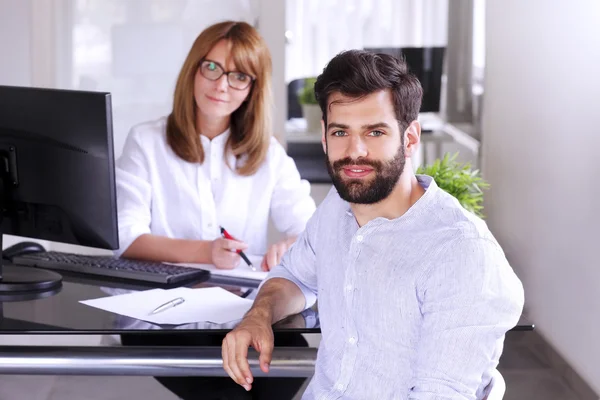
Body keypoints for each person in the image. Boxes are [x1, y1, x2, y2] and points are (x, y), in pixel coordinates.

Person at [222, 49, 525, 399]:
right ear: (324, 135)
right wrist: (259, 314)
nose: (355, 151)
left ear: (410, 138)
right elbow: (294, 277)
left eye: (375, 132)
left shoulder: (461, 253)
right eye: (340, 133)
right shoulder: (337, 207)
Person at [116, 20, 316, 400]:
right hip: (160, 316)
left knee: (288, 368)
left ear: (252, 89)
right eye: (212, 67)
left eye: (239, 76)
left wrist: (291, 244)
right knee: (230, 393)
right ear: (194, 69)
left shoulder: (268, 154)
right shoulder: (146, 142)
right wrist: (205, 252)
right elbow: (126, 238)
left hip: (243, 311)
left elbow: (309, 226)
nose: (222, 85)